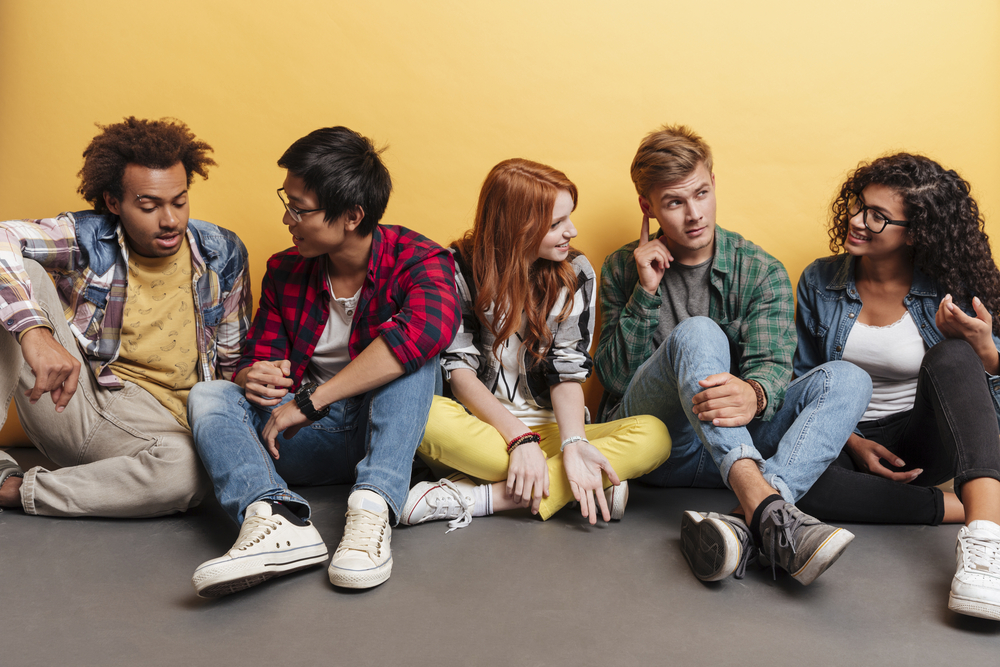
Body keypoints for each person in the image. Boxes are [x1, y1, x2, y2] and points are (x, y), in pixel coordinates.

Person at [188, 126, 460, 597]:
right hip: (303, 438)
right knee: (209, 394)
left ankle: (372, 508)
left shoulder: (421, 259)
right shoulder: (286, 269)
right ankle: (277, 516)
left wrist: (312, 399)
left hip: (389, 431)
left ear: (352, 215)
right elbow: (260, 354)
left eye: (300, 208)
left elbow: (427, 331)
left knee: (414, 357)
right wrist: (254, 374)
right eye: (287, 202)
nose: (287, 218)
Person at [595, 124, 871, 585]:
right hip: (660, 446)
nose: (694, 214)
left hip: (738, 442)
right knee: (699, 332)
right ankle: (767, 508)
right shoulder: (625, 267)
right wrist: (644, 292)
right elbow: (616, 381)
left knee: (849, 379)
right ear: (648, 207)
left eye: (701, 193)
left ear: (714, 183)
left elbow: (773, 368)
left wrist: (756, 394)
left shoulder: (759, 269)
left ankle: (742, 525)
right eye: (675, 203)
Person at [399, 159, 669, 532]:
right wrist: (517, 438)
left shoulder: (576, 273)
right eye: (556, 224)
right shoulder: (457, 266)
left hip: (555, 431)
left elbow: (567, 369)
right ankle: (585, 484)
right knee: (423, 416)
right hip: (484, 432)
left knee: (655, 436)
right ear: (517, 226)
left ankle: (478, 498)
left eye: (568, 218)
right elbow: (458, 369)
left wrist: (574, 443)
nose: (571, 231)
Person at [0, 117, 250, 518]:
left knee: (188, 473)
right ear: (114, 203)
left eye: (180, 201)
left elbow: (234, 363)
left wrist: (251, 378)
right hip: (76, 400)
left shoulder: (223, 252)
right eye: (148, 206)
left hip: (163, 432)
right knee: (16, 274)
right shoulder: (88, 238)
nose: (169, 220)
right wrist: (35, 330)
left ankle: (13, 489)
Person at [793, 153, 1000, 620]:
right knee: (797, 484)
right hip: (842, 438)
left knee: (953, 352)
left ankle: (986, 540)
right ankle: (959, 506)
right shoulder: (820, 281)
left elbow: (988, 412)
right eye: (858, 205)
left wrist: (986, 351)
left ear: (916, 232)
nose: (857, 221)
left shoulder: (952, 288)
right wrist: (854, 440)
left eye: (878, 216)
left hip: (919, 443)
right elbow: (801, 382)